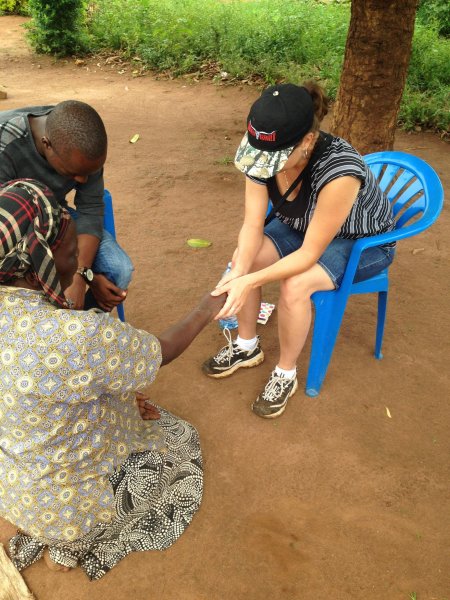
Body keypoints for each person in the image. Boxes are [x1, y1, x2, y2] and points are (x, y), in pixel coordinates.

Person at [0, 179, 225, 580]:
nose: (81, 263)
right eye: (73, 252)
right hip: (72, 505)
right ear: (41, 260)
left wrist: (119, 397)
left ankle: (52, 531)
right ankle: (75, 543)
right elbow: (161, 350)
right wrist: (207, 307)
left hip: (13, 490)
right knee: (176, 443)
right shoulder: (78, 337)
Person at [202, 82, 395, 419]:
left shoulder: (339, 172)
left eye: (273, 159)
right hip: (303, 224)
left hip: (362, 240)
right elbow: (252, 225)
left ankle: (286, 373)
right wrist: (241, 270)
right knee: (244, 260)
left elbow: (308, 255)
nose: (262, 165)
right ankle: (246, 347)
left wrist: (248, 281)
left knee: (296, 284)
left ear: (307, 141)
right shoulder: (261, 148)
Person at [0, 100, 133, 312]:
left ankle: (84, 331)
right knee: (34, 288)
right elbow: (9, 242)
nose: (81, 180)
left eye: (88, 173)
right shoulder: (5, 144)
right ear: (47, 144)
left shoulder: (83, 141)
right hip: (12, 230)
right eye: (72, 173)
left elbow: (91, 209)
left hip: (55, 213)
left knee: (119, 270)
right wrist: (75, 278)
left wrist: (81, 275)